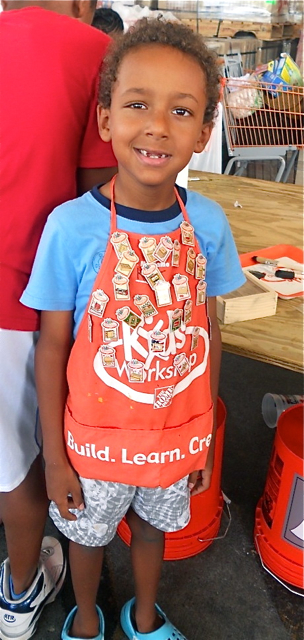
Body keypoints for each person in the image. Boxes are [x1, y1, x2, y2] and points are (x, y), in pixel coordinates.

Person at [21, 18, 246, 640]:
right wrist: (58, 458)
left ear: (204, 133)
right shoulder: (70, 228)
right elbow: (53, 348)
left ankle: (144, 617)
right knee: (88, 540)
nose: (156, 126)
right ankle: (89, 617)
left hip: (174, 438)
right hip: (91, 445)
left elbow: (205, 332)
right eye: (137, 105)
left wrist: (201, 436)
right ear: (104, 119)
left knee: (153, 531)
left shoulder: (208, 223)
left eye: (181, 111)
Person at [0, 1, 116, 639]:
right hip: (34, 298)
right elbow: (100, 192)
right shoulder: (89, 49)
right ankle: (27, 593)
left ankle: (21, 594)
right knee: (38, 461)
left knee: (5, 456)